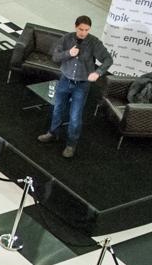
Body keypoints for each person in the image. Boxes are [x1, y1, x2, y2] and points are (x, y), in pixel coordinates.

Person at [37, 15, 113, 158]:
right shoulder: (67, 39)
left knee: (75, 116)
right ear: (75, 27)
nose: (83, 33)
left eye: (86, 30)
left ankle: (71, 144)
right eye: (81, 29)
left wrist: (98, 72)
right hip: (65, 80)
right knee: (58, 109)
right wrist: (68, 53)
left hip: (81, 85)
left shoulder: (93, 43)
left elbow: (108, 59)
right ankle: (53, 133)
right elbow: (55, 57)